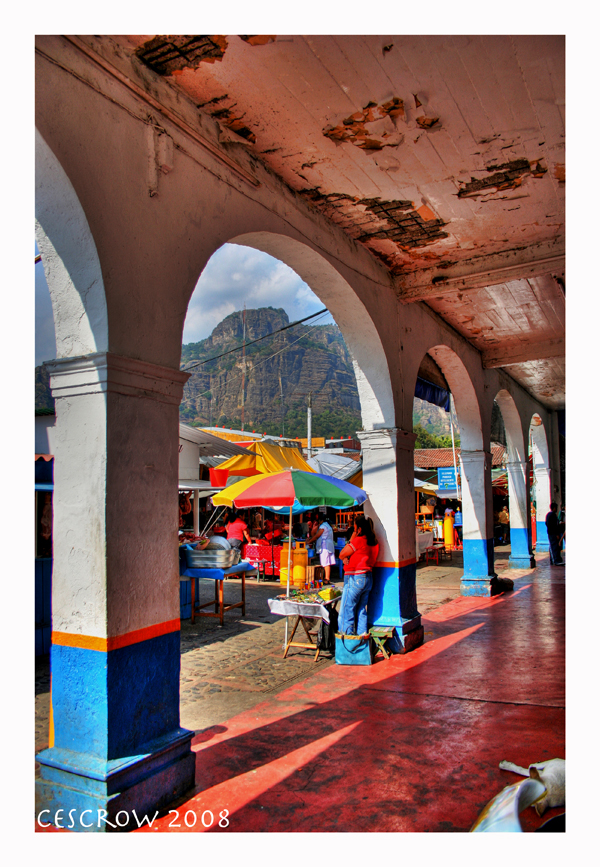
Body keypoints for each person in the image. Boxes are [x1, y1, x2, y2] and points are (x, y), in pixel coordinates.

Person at [338, 515, 379, 636]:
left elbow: (342, 553)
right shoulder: (374, 542)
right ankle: (362, 637)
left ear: (359, 529)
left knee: (347, 609)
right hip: (368, 578)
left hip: (355, 578)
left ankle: (347, 638)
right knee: (361, 610)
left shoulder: (359, 540)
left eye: (355, 528)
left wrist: (352, 538)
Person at [307, 512, 336, 583]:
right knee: (327, 562)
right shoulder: (328, 526)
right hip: (328, 545)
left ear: (321, 520)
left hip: (325, 546)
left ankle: (327, 578)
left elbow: (317, 535)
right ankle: (327, 578)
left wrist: (309, 541)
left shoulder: (323, 526)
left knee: (325, 562)